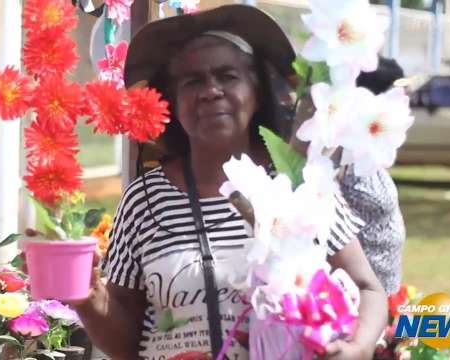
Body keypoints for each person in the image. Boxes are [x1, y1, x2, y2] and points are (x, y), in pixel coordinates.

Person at [72, 5, 387, 360]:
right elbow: (126, 344)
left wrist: (358, 348)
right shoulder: (144, 199)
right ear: (172, 102)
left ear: (257, 93)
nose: (211, 91)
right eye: (193, 81)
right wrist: (91, 300)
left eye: (228, 76)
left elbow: (368, 288)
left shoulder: (299, 183)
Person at [291, 57, 407, 295]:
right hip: (356, 294)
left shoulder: (366, 145)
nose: (404, 99)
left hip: (385, 292)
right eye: (396, 90)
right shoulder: (335, 143)